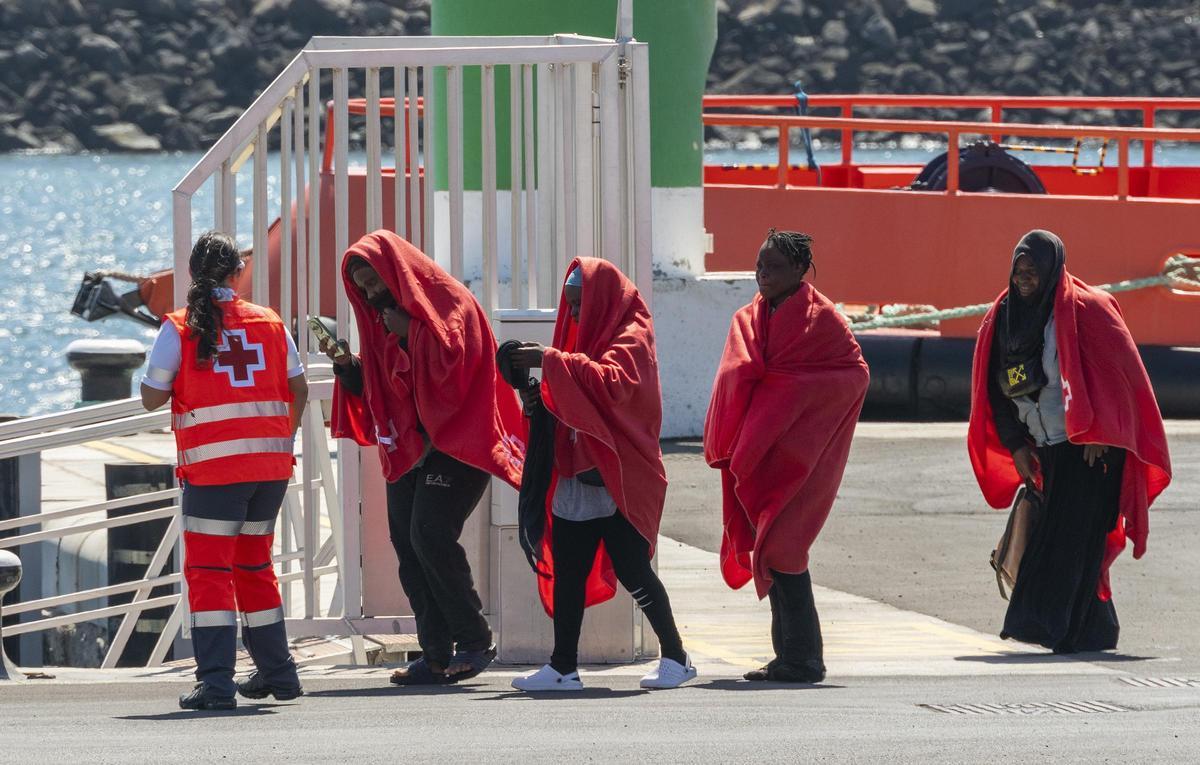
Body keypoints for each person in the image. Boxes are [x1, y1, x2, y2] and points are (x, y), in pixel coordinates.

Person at [324, 230, 525, 685]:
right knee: (408, 546)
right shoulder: (383, 321)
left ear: (397, 271)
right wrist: (349, 369)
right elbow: (385, 387)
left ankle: (474, 640)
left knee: (430, 534)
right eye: (363, 287)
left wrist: (411, 331)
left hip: (460, 439)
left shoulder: (451, 301)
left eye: (375, 280)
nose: (372, 294)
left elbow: (461, 364)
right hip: (412, 446)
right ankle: (434, 652)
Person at [968, 229, 1172, 653]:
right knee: (1077, 541)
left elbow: (1119, 379)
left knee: (1067, 540)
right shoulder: (1003, 317)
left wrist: (1101, 432)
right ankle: (1094, 631)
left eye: (1033, 270)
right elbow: (993, 392)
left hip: (1090, 450)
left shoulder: (1089, 310)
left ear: (1051, 270)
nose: (1024, 277)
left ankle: (1041, 624)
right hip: (1044, 448)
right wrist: (1017, 446)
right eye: (1019, 269)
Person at [506, 258, 695, 692]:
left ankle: (677, 656)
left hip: (618, 477)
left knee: (633, 569)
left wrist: (548, 359)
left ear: (601, 302)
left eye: (579, 307)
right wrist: (538, 399)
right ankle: (563, 667)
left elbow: (614, 384)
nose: (573, 316)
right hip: (579, 474)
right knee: (568, 571)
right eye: (569, 307)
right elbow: (568, 395)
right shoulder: (582, 335)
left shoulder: (632, 334)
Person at [140, 231, 308, 710]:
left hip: (214, 474)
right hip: (270, 471)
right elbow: (300, 392)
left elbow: (152, 396)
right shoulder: (271, 323)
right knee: (253, 566)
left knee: (210, 574)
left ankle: (216, 683)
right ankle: (280, 673)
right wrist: (283, 440)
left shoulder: (180, 327)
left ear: (192, 275)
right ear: (239, 274)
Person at [704, 229, 869, 684]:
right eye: (759, 265)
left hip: (804, 452)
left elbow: (852, 375)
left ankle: (805, 659)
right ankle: (788, 657)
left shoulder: (825, 320)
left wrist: (786, 393)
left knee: (784, 548)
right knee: (769, 549)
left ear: (799, 270)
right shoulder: (750, 316)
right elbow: (734, 377)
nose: (763, 275)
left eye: (773, 267)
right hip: (761, 449)